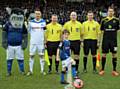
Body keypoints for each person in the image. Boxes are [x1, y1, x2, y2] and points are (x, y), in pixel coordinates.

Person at [2, 8, 28, 76]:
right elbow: (4, 33)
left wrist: (24, 43)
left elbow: (25, 35)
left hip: (19, 45)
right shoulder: (8, 24)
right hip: (9, 45)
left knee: (20, 59)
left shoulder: (22, 25)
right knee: (9, 59)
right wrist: (4, 42)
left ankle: (22, 71)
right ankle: (8, 72)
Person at [99, 7, 120, 76]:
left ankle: (114, 70)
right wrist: (100, 41)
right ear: (107, 12)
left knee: (114, 54)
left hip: (114, 41)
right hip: (105, 41)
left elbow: (118, 30)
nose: (110, 12)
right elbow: (101, 31)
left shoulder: (116, 20)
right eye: (109, 11)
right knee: (104, 54)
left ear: (113, 12)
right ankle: (102, 70)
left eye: (112, 11)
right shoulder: (103, 20)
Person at [27, 8, 46, 76]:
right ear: (34, 14)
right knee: (31, 56)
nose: (37, 15)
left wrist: (44, 41)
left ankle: (42, 70)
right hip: (33, 42)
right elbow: (28, 31)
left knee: (41, 56)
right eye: (36, 14)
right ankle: (30, 71)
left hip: (41, 42)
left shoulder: (43, 22)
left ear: (40, 15)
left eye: (39, 14)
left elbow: (44, 32)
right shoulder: (31, 22)